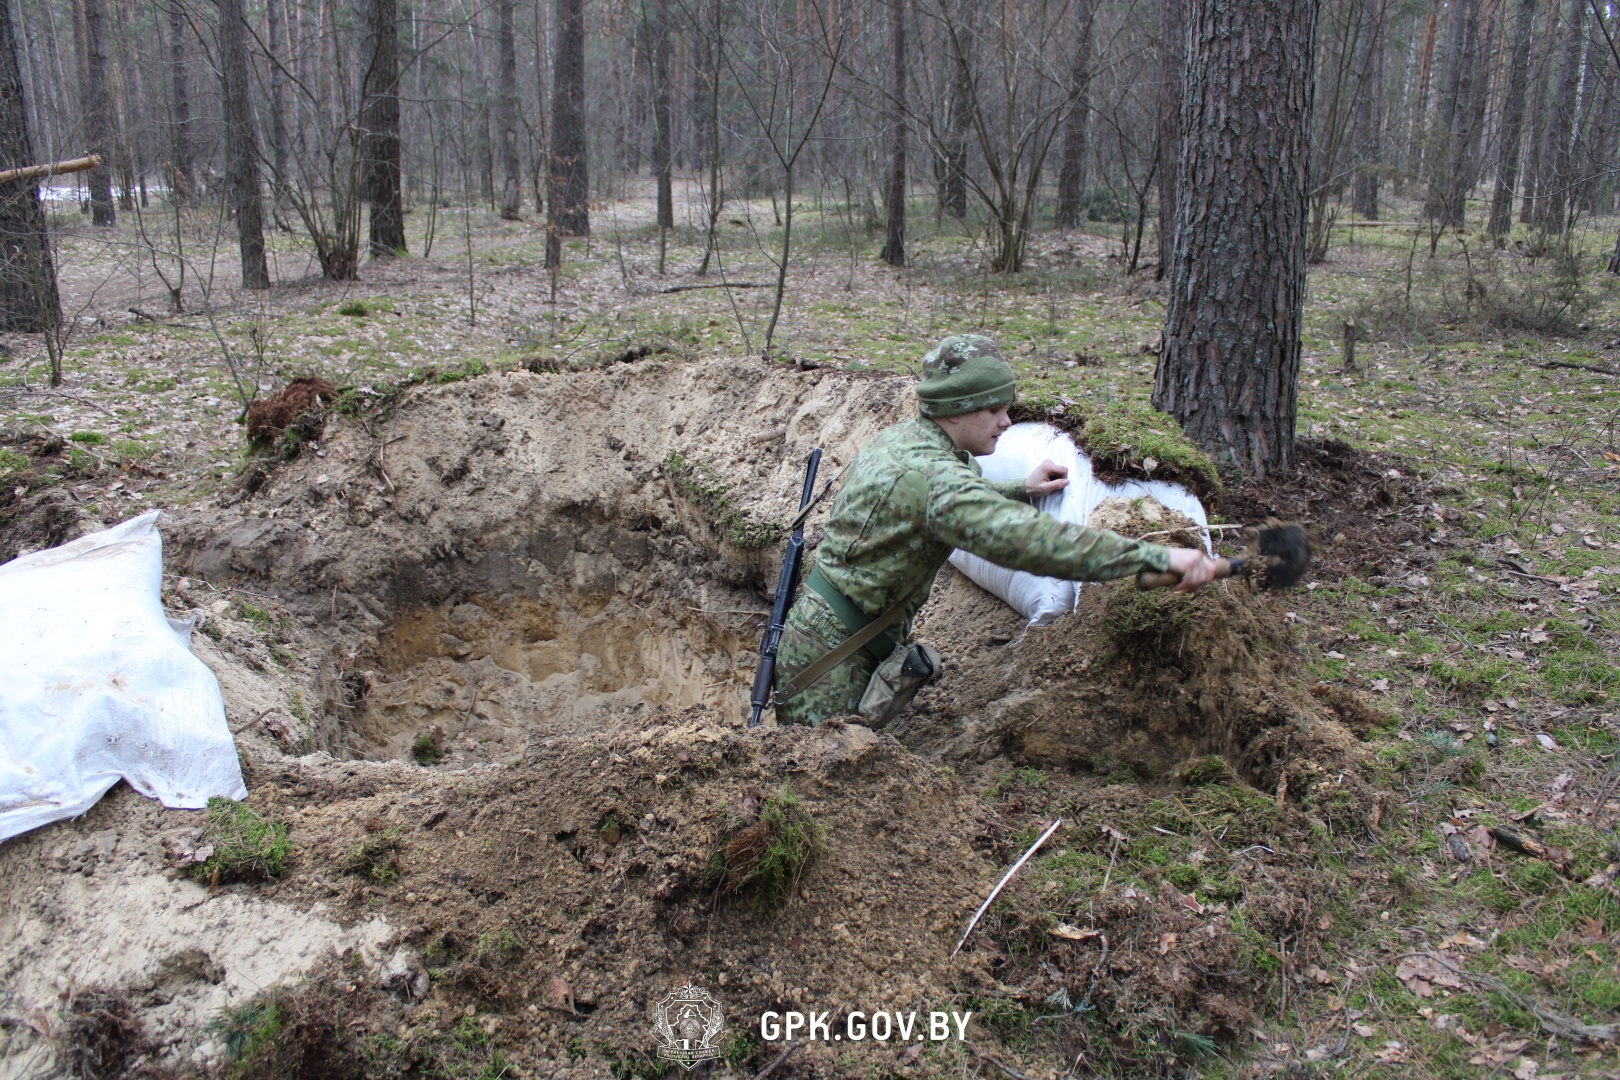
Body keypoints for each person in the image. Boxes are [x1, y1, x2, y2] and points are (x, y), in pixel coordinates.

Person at [773, 333, 1218, 727]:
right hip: (833, 659)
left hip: (831, 632)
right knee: (826, 783)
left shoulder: (905, 441)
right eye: (995, 409)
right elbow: (1030, 541)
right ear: (957, 408)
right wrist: (1157, 556)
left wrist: (1020, 488)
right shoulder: (935, 479)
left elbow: (948, 500)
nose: (1007, 422)